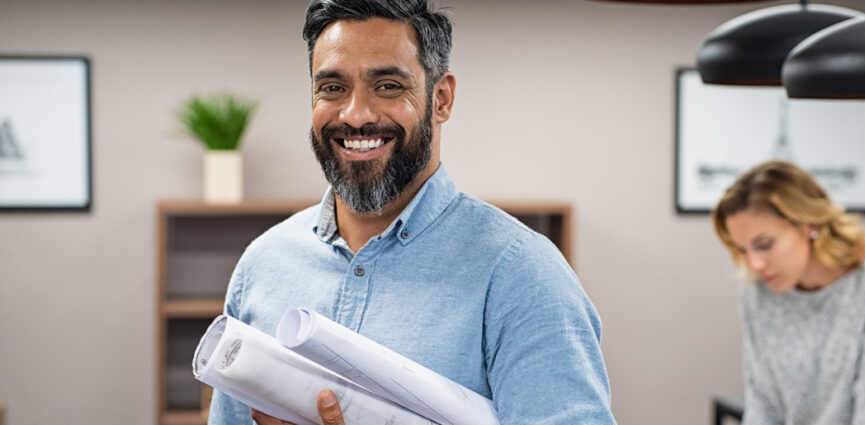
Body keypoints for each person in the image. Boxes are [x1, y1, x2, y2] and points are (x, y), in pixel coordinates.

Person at [206, 1, 617, 424]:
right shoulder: (263, 263)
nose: (356, 115)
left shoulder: (522, 274)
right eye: (332, 88)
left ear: (440, 99)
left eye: (387, 85)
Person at [711, 160, 865, 425]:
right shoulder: (758, 289)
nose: (754, 264)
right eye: (742, 250)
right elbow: (763, 403)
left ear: (809, 223)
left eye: (765, 244)